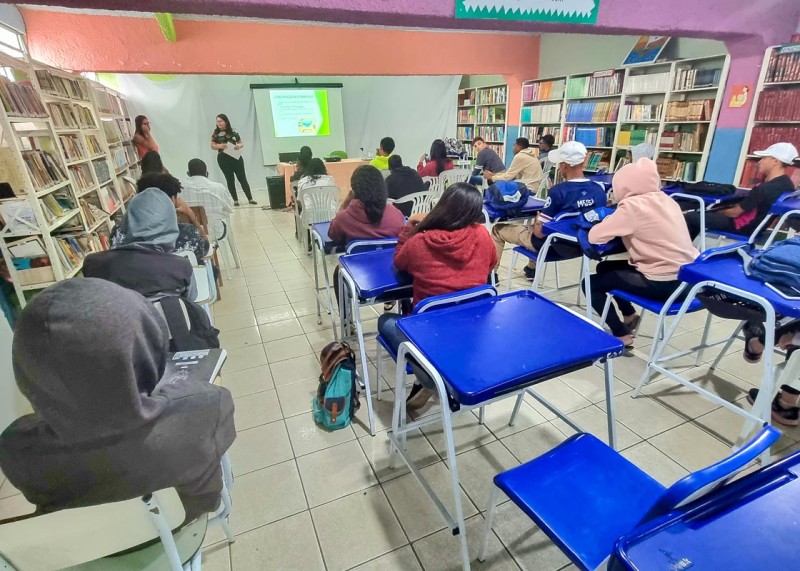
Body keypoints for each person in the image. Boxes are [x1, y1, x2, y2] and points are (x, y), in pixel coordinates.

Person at [0, 278, 235, 524]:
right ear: (146, 340)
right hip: (185, 529)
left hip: (93, 544)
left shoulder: (15, 448)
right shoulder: (204, 406)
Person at [377, 183, 498, 409]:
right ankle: (440, 372)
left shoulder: (420, 242)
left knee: (385, 321)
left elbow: (399, 261)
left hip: (428, 335)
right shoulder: (482, 234)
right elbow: (492, 263)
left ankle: (429, 377)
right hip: (471, 331)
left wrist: (409, 227)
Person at [584, 158, 699, 348]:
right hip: (688, 281)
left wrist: (607, 221)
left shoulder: (632, 207)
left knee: (589, 284)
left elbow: (595, 237)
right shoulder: (668, 200)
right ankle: (629, 314)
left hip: (663, 284)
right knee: (604, 267)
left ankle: (621, 334)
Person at [491, 141, 607, 279]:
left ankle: (491, 276)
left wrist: (537, 222)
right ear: (583, 162)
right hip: (582, 246)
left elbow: (539, 233)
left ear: (564, 165)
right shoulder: (599, 190)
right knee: (541, 224)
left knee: (497, 229)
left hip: (553, 246)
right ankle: (531, 270)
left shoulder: (558, 191)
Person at [85, 188, 196, 300]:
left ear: (127, 220)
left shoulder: (93, 264)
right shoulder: (182, 268)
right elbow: (191, 301)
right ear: (170, 223)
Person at [684, 142, 798, 241]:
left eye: (764, 158)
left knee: (690, 217)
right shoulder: (787, 184)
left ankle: (682, 252)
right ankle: (685, 250)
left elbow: (734, 213)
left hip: (741, 226)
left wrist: (716, 211)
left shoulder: (764, 188)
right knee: (701, 216)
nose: (759, 162)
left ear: (775, 161)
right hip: (757, 228)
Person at [329, 165, 406, 307]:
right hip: (392, 275)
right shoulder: (395, 213)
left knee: (338, 272)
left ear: (354, 191)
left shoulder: (345, 217)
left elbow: (333, 234)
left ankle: (346, 318)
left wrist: (345, 202)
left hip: (359, 275)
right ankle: (402, 307)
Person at [180, 158, 234, 242]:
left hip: (188, 235)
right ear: (207, 173)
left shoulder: (178, 189)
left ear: (188, 173)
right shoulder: (219, 188)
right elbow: (229, 208)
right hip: (216, 233)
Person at [211, 113, 256, 206]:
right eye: (217, 121)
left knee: (242, 178)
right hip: (223, 158)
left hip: (235, 157)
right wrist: (219, 146)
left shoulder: (233, 132)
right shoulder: (215, 134)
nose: (219, 123)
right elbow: (212, 146)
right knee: (230, 179)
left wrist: (238, 145)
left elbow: (241, 143)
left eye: (221, 121)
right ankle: (235, 200)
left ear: (226, 122)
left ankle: (250, 198)